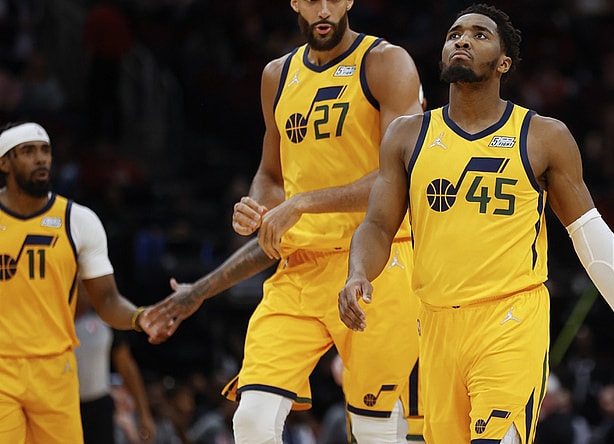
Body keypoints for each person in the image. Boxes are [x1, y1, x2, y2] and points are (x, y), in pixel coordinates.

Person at [337, 4, 614, 443]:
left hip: (510, 319)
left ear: (504, 62)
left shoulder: (543, 136)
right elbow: (377, 226)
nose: (462, 40)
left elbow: (591, 238)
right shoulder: (406, 135)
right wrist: (358, 272)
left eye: (479, 35)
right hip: (434, 324)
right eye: (454, 33)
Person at [146, 1, 425, 442]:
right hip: (299, 270)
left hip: (378, 265)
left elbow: (403, 173)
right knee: (252, 421)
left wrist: (303, 204)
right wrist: (257, 207)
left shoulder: (386, 63)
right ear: (295, 3)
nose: (324, 9)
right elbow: (271, 175)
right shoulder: (277, 75)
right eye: (312, 0)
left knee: (377, 432)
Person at [0, 121, 162, 443]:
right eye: (28, 152)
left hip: (56, 369)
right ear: (4, 162)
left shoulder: (79, 220)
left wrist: (138, 317)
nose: (41, 159)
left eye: (45, 151)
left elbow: (106, 300)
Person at [75, 281, 157, 444]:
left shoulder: (106, 318)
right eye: (79, 286)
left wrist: (144, 413)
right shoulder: (55, 318)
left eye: (87, 286)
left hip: (99, 406)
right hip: (63, 405)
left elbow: (126, 367)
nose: (84, 291)